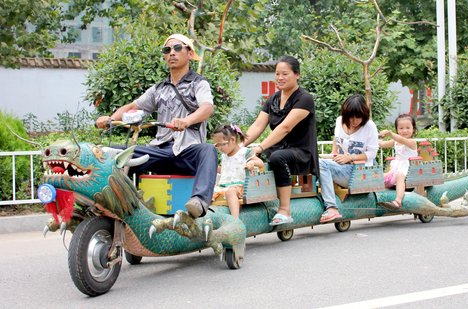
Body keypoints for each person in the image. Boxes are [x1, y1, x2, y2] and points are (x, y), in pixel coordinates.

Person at [95, 33, 217, 218]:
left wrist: (186, 121)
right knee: (111, 152)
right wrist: (110, 120)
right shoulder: (159, 89)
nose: (172, 53)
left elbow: (207, 108)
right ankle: (110, 202)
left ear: (190, 54)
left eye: (177, 48)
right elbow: (134, 107)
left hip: (187, 150)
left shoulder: (198, 83)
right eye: (167, 50)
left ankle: (198, 202)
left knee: (208, 150)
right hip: (160, 149)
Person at [244, 55, 319, 226]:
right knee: (249, 157)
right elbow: (257, 126)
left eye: (285, 74)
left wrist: (261, 147)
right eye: (277, 74)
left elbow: (285, 127)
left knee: (277, 157)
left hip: (300, 153)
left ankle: (285, 210)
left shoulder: (304, 98)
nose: (279, 78)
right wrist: (240, 146)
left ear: (297, 75)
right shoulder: (273, 99)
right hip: (277, 149)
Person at [318, 94, 379, 223]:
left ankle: (332, 208)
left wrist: (350, 157)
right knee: (318, 162)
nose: (354, 121)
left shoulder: (370, 126)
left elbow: (372, 153)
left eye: (358, 117)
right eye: (351, 117)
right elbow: (336, 139)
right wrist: (334, 154)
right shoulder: (340, 121)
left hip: (360, 171)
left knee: (322, 164)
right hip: (343, 166)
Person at [212, 124, 264, 218]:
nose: (220, 148)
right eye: (217, 145)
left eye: (222, 144)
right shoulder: (224, 156)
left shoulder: (244, 152)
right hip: (224, 186)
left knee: (231, 192)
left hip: (241, 186)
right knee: (208, 189)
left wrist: (252, 163)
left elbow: (260, 163)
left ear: (232, 140)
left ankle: (235, 219)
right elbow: (225, 171)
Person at [378, 114, 418, 210]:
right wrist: (379, 136)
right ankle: (377, 197)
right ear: (397, 130)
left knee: (400, 176)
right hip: (397, 165)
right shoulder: (395, 141)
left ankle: (398, 201)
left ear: (413, 129)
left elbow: (401, 139)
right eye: (401, 128)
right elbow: (382, 144)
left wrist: (390, 133)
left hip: (410, 166)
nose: (404, 131)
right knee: (381, 176)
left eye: (408, 128)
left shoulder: (412, 142)